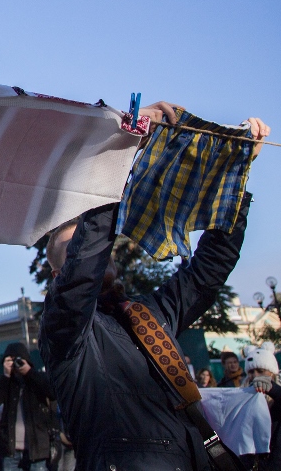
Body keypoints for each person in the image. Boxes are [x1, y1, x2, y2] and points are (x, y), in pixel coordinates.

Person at [38, 107, 270, 470]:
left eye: (96, 246)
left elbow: (208, 271)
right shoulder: (64, 332)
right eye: (76, 249)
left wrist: (236, 170)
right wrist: (123, 150)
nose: (96, 254)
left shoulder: (149, 313)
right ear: (57, 276)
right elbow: (82, 271)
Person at [0, 343, 54, 471]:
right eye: (10, 360)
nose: (15, 364)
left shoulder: (36, 378)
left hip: (36, 449)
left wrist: (29, 372)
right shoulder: (7, 382)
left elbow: (52, 393)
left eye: (18, 360)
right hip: (11, 450)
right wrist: (6, 375)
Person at [240, 342, 281, 470]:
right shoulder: (241, 397)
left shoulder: (277, 396)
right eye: (251, 371)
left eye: (261, 371)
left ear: (272, 373)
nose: (255, 375)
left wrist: (273, 389)